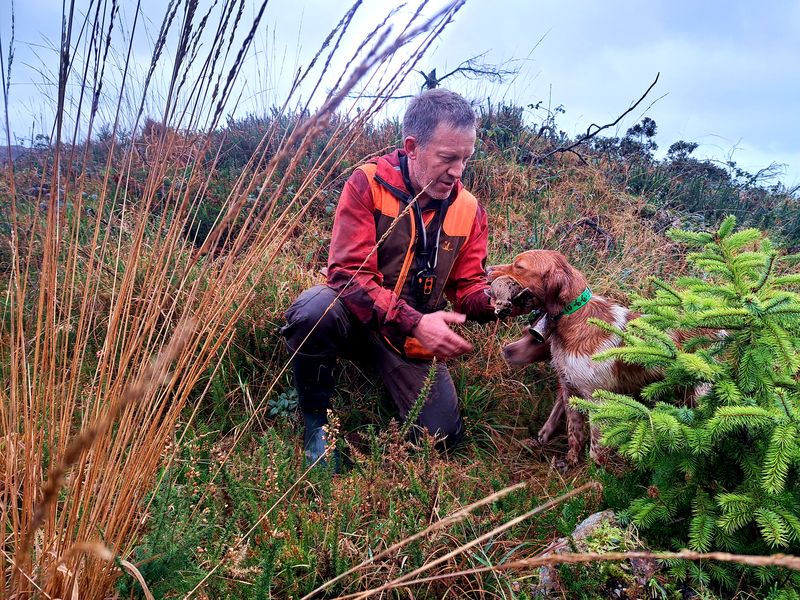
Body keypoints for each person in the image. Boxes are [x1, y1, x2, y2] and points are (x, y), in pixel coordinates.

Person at [282, 88, 504, 466]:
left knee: (442, 438)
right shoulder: (367, 183)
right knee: (313, 312)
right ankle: (315, 424)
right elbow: (348, 274)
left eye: (466, 158)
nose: (458, 172)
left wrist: (500, 300)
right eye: (447, 158)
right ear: (412, 146)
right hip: (358, 316)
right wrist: (416, 322)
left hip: (409, 342)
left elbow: (468, 289)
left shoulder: (469, 210)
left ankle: (373, 419)